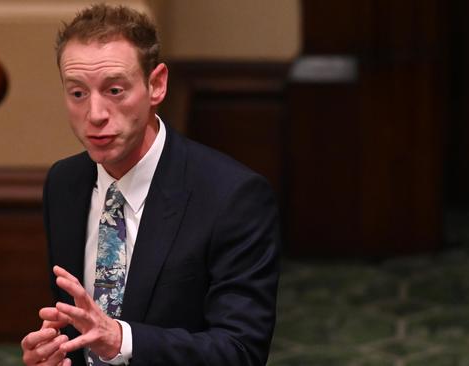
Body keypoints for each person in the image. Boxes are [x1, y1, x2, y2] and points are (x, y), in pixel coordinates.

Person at [21, 4, 280, 366]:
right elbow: (76, 325)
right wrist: (56, 355)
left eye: (114, 90)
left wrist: (122, 340)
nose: (95, 114)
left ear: (156, 85)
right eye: (78, 93)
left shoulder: (232, 197)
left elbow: (240, 352)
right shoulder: (64, 184)